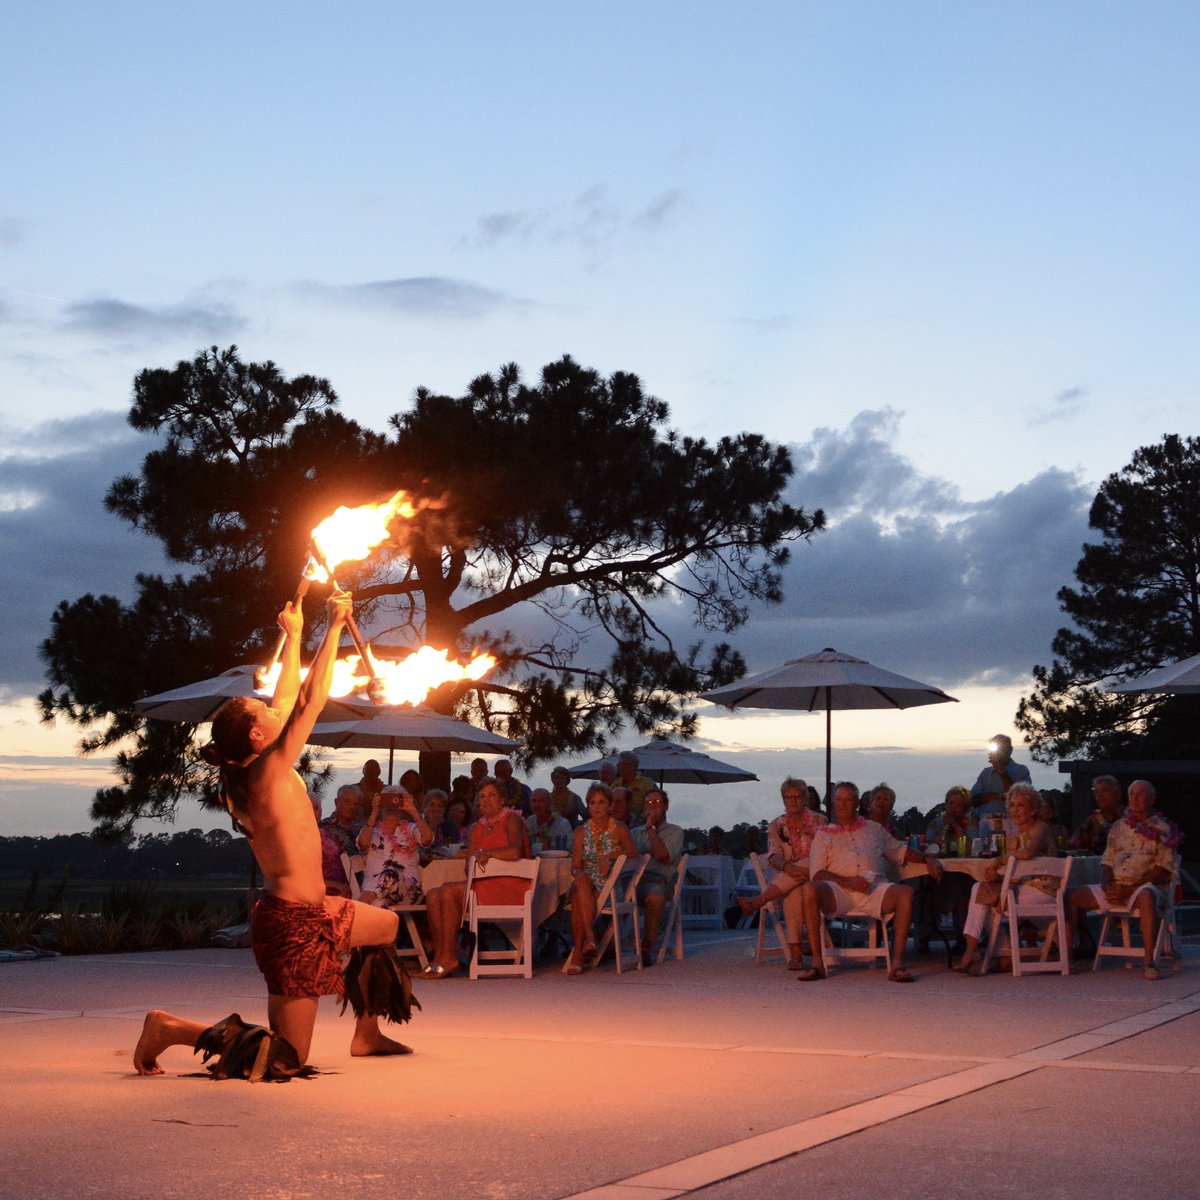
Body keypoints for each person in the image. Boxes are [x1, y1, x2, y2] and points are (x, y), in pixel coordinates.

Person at [133, 591, 413, 1079]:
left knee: (384, 926)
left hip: (318, 910)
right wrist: (334, 626)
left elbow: (287, 699)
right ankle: (171, 1027)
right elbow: (307, 702)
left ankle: (366, 1034)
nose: (270, 709)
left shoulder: (261, 765)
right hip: (291, 927)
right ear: (257, 737)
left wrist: (296, 632)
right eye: (260, 711)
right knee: (286, 1057)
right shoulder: (263, 777)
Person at [796, 782, 942, 983]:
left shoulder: (874, 829)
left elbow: (900, 851)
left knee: (905, 893)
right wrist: (848, 881)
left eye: (848, 800)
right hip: (839, 892)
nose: (843, 804)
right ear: (834, 803)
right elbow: (817, 874)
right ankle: (817, 963)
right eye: (839, 800)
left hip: (874, 890)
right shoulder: (823, 834)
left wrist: (927, 858)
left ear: (857, 803)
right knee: (809, 889)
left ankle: (897, 963)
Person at [1066, 779, 1181, 980]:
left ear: (1152, 800)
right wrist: (1107, 883)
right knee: (1070, 896)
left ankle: (1149, 962)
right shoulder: (1119, 826)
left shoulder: (1163, 829)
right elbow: (1107, 861)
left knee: (1146, 895)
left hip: (1144, 887)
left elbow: (1161, 870)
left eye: (1140, 795)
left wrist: (1131, 888)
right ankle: (1068, 959)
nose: (1134, 799)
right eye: (1132, 795)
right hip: (1117, 886)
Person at [421, 776, 526, 979]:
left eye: (492, 795)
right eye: (482, 796)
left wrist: (488, 854)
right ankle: (439, 957)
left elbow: (515, 851)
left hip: (510, 885)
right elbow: (469, 866)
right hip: (484, 885)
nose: (486, 800)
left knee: (448, 891)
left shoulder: (511, 819)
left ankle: (450, 957)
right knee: (433, 894)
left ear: (502, 799)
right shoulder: (477, 828)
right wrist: (475, 860)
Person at [953, 782, 1055, 974]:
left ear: (1033, 809)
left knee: (981, 895)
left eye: (1021, 805)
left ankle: (975, 951)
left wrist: (998, 862)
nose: (1015, 810)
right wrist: (997, 876)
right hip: (1022, 888)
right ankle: (987, 951)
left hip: (1044, 890)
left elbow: (1028, 853)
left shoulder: (1041, 828)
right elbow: (1014, 872)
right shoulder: (1013, 836)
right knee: (980, 892)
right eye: (1012, 805)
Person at [741, 778, 827, 968]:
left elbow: (824, 855)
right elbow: (773, 857)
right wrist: (789, 868)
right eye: (788, 797)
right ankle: (796, 950)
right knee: (794, 891)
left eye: (797, 796)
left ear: (805, 798)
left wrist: (796, 868)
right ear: (783, 800)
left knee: (811, 862)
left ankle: (759, 901)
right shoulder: (776, 825)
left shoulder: (820, 821)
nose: (793, 800)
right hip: (790, 882)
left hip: (817, 877)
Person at [565, 783, 637, 974]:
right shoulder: (581, 832)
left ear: (610, 805)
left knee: (578, 896)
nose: (596, 807)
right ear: (588, 806)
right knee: (582, 883)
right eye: (592, 802)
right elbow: (575, 865)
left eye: (601, 802)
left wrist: (610, 856)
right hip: (587, 880)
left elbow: (633, 852)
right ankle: (589, 937)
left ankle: (579, 952)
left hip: (609, 884)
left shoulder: (618, 828)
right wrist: (579, 873)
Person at [631, 787, 685, 966]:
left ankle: (647, 945)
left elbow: (662, 855)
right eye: (648, 803)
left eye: (657, 802)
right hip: (632, 880)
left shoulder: (675, 832)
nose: (652, 806)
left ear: (666, 806)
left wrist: (651, 829)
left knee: (655, 897)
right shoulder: (635, 833)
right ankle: (603, 942)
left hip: (658, 881)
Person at [357, 785, 433, 908]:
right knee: (377, 904)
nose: (391, 806)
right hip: (376, 895)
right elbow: (362, 844)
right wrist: (374, 812)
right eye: (387, 801)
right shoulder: (371, 829)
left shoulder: (412, 828)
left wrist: (413, 811)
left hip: (406, 891)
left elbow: (427, 839)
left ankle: (356, 909)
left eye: (396, 801)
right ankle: (362, 908)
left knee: (390, 872)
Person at [923, 785, 978, 948]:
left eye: (959, 805)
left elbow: (972, 849)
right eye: (951, 803)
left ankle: (963, 936)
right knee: (925, 892)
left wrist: (957, 827)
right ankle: (925, 935)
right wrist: (946, 828)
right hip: (940, 870)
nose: (954, 808)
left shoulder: (972, 823)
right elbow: (931, 847)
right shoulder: (936, 823)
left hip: (966, 871)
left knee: (963, 892)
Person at [319, 784, 365, 897]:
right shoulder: (323, 829)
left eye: (355, 804)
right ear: (336, 802)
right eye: (347, 802)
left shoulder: (360, 832)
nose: (351, 807)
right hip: (330, 892)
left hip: (360, 891)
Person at [971, 734, 1031, 815]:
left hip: (1012, 819)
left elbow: (1017, 798)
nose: (998, 752)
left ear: (1010, 750)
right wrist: (1000, 795)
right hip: (985, 819)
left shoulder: (1021, 770)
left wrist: (1001, 771)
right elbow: (973, 799)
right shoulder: (986, 773)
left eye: (1002, 748)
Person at [1069, 775, 1125, 853]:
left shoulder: (1130, 817)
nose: (1100, 795)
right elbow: (1074, 844)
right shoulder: (1093, 820)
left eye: (1104, 790)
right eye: (1096, 792)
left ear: (1118, 794)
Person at [527, 787, 572, 852]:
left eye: (541, 801)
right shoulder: (530, 821)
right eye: (534, 801)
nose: (537, 805)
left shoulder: (563, 824)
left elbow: (569, 849)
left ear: (550, 802)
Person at [616, 750, 656, 821]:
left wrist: (639, 820)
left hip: (639, 823)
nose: (620, 767)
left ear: (634, 766)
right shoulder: (615, 784)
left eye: (624, 764)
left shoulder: (646, 784)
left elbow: (652, 805)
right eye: (619, 765)